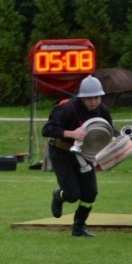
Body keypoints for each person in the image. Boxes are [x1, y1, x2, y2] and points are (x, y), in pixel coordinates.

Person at [41, 75, 113, 237]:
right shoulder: (66, 109)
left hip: (85, 154)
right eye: (89, 98)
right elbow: (47, 129)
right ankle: (59, 195)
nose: (94, 102)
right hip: (62, 153)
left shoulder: (102, 110)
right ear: (82, 98)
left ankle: (79, 227)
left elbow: (109, 128)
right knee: (72, 195)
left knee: (90, 193)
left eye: (97, 97)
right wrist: (71, 133)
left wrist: (113, 138)